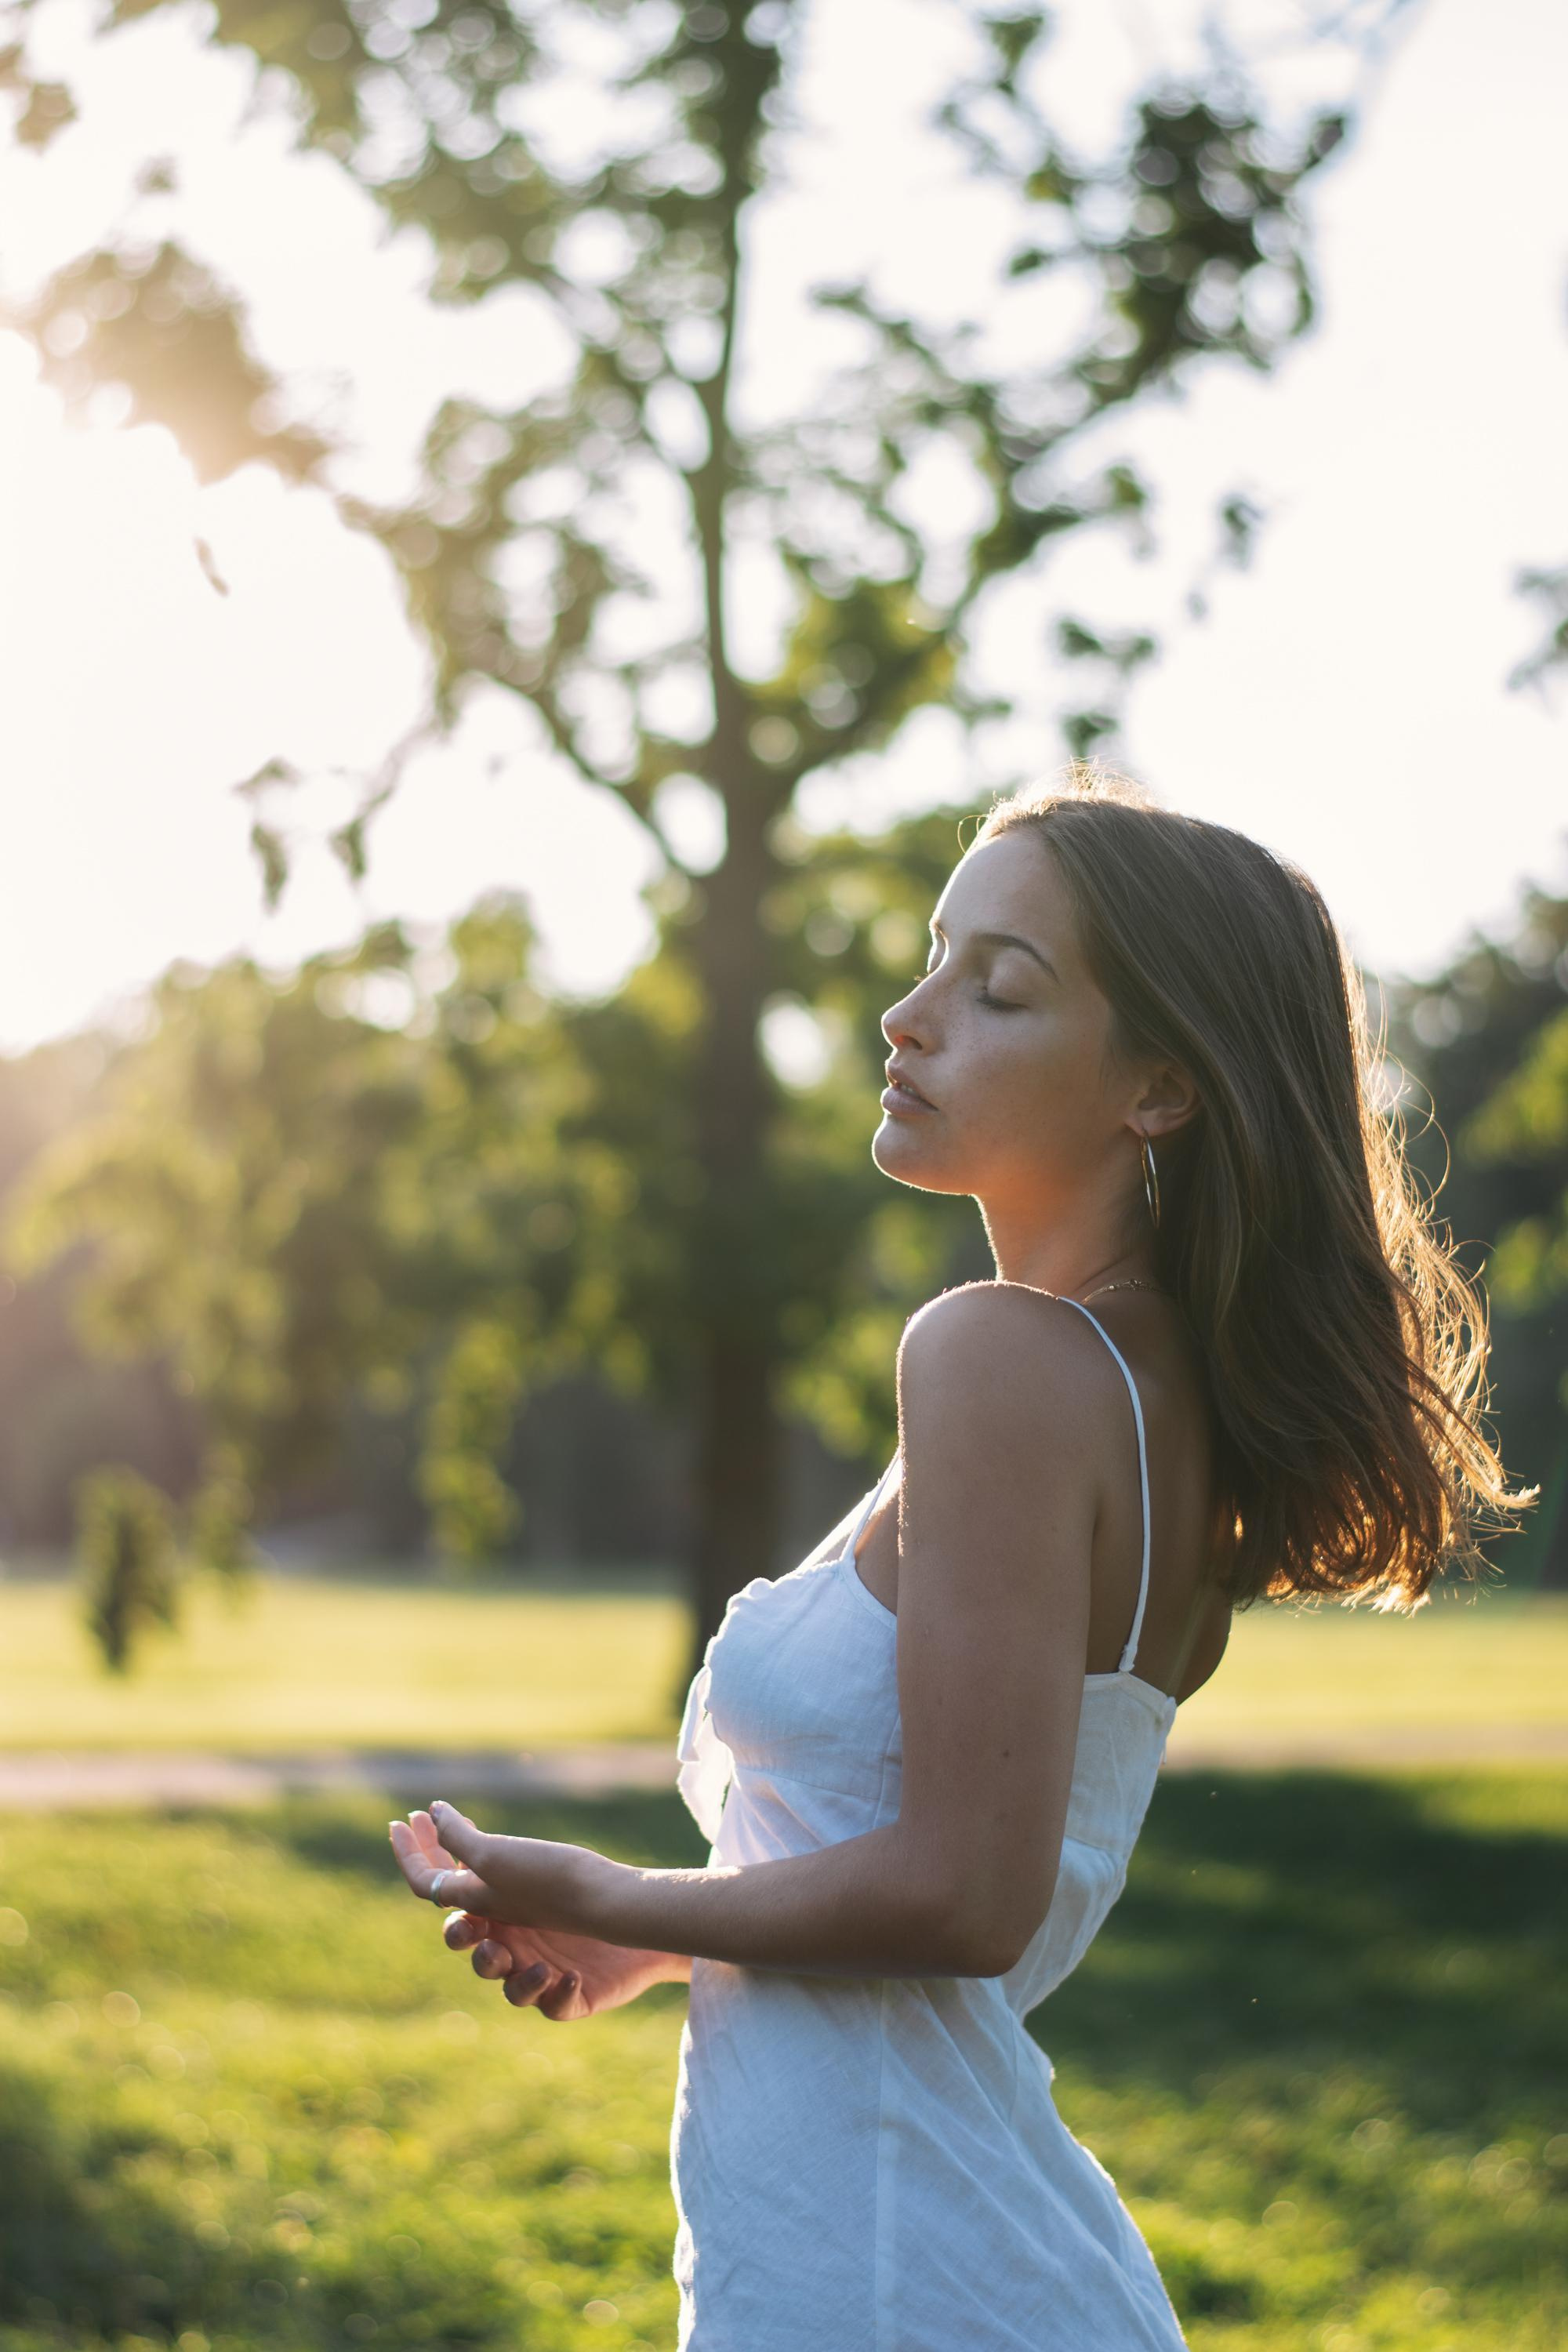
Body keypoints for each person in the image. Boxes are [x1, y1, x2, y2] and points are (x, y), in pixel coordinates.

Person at [389, 771, 1534, 2349]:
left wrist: (616, 1880)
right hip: (931, 2240)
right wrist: (656, 1942)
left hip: (896, 2271)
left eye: (998, 988)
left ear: (1159, 1089)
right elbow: (949, 1847)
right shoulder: (1140, 1402)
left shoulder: (999, 1360)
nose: (906, 1017)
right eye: (935, 959)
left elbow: (967, 1894)